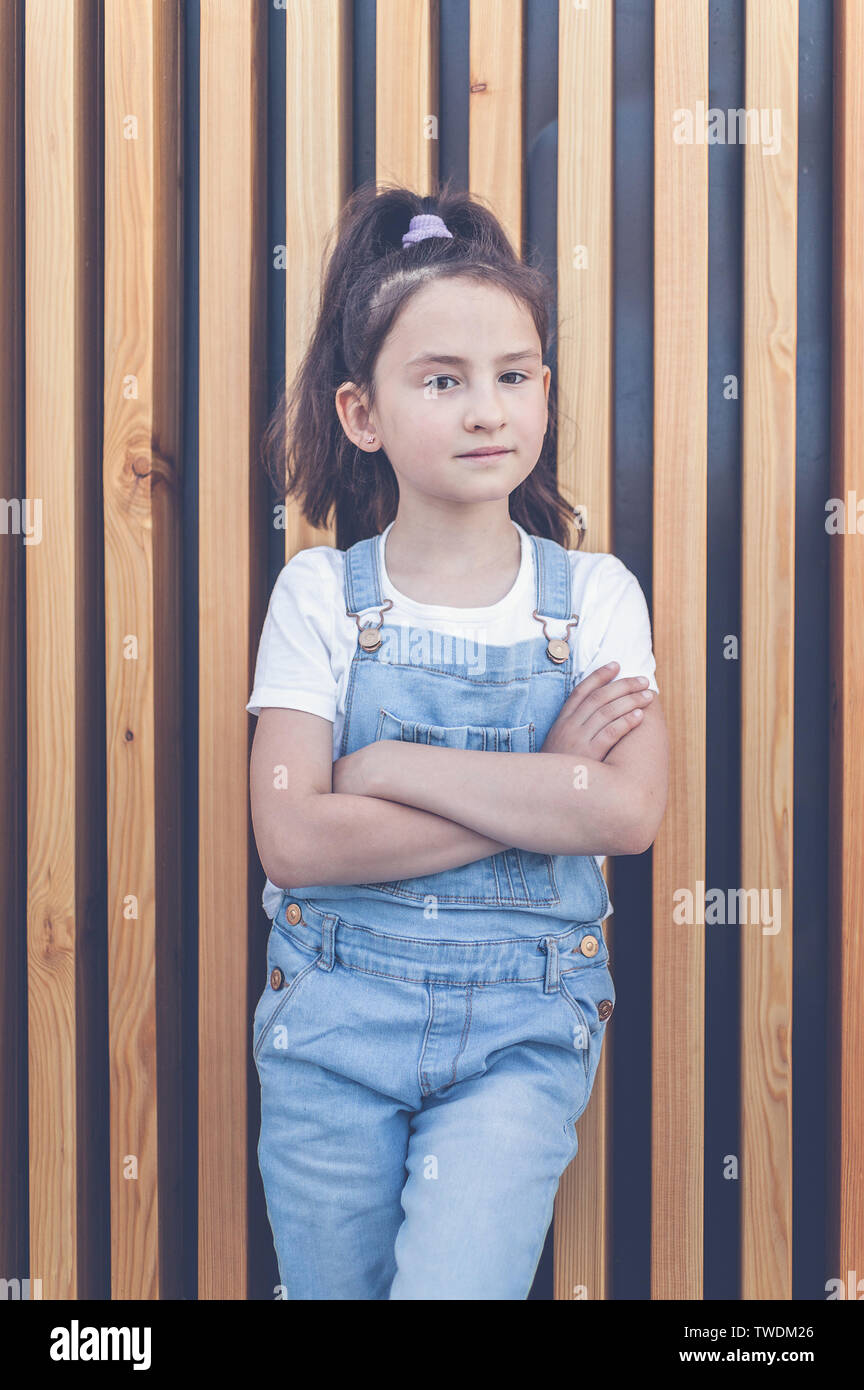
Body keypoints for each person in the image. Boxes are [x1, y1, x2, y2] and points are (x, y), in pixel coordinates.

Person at [246, 179, 669, 1299]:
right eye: (444, 381)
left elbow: (623, 813)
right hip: (332, 1029)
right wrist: (541, 790)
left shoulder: (597, 601)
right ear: (362, 414)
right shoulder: (319, 599)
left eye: (515, 375)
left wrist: (383, 774)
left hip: (523, 1030)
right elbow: (294, 836)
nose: (489, 410)